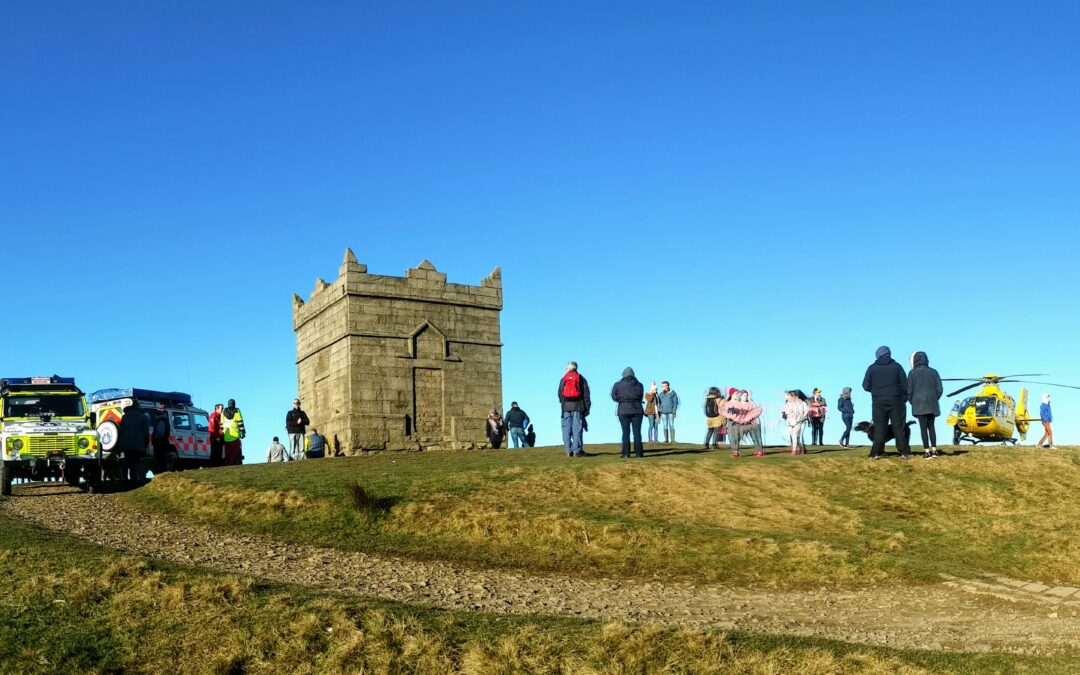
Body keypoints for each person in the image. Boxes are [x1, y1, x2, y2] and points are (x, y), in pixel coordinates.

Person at [862, 346, 911, 459]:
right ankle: (904, 452)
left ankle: (876, 452)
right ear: (889, 354)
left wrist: (875, 391)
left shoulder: (872, 368)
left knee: (879, 428)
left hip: (878, 401)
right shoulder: (897, 367)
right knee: (899, 427)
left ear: (877, 355)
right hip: (896, 401)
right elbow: (905, 385)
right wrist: (904, 398)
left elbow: (865, 386)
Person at [908, 351, 944, 459]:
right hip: (932, 402)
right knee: (931, 426)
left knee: (923, 428)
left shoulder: (912, 373)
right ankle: (934, 450)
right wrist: (934, 398)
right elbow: (940, 389)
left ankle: (926, 451)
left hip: (918, 403)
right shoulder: (934, 372)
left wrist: (912, 401)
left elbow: (909, 390)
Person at [558, 361, 591, 457]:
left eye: (566, 368)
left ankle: (568, 451)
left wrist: (563, 403)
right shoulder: (581, 379)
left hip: (565, 408)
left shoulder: (563, 379)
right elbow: (586, 396)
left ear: (569, 368)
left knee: (566, 429)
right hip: (578, 407)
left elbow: (559, 394)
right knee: (577, 429)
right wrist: (586, 409)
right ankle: (577, 451)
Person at [611, 367, 645, 458]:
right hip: (637, 409)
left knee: (625, 432)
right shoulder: (640, 385)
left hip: (623, 409)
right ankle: (639, 453)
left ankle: (626, 453)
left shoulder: (617, 384)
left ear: (623, 374)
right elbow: (641, 396)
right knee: (637, 432)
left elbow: (613, 397)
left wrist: (621, 400)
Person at [116, 400, 150, 485]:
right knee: (135, 461)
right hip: (138, 443)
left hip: (126, 443)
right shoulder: (143, 417)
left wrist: (120, 445)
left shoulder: (125, 417)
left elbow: (121, 431)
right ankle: (134, 478)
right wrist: (146, 442)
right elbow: (146, 431)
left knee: (127, 460)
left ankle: (125, 478)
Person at [724, 390, 765, 457]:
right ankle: (758, 450)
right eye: (744, 395)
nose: (745, 397)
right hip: (747, 424)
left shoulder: (750, 403)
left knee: (757, 437)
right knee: (753, 437)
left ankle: (760, 450)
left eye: (746, 395)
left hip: (754, 422)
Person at [782, 390, 810, 455]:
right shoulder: (787, 404)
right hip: (790, 422)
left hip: (799, 421)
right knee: (794, 436)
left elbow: (806, 411)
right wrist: (784, 415)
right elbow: (784, 411)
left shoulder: (802, 403)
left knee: (796, 435)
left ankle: (794, 450)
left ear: (793, 396)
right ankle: (801, 449)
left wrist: (801, 418)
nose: (787, 397)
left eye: (788, 395)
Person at [221, 398, 246, 465]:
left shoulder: (223, 411)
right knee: (235, 452)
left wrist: (222, 434)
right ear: (234, 404)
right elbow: (240, 422)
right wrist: (243, 432)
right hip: (235, 435)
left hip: (226, 436)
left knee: (227, 453)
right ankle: (233, 464)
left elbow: (221, 424)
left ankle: (227, 465)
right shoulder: (237, 411)